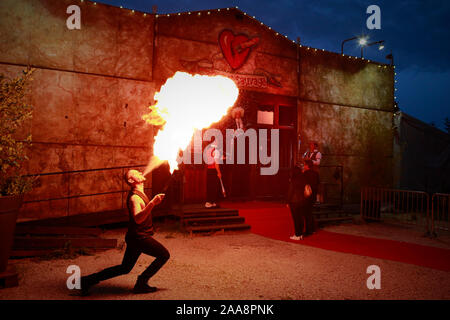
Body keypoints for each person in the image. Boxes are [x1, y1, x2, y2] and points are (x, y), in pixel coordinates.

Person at [79, 170, 170, 295]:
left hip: (135, 237)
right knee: (164, 255)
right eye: (135, 173)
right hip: (139, 238)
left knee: (125, 268)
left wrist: (152, 203)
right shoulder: (134, 198)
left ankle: (87, 280)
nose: (140, 172)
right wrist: (152, 203)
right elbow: (138, 218)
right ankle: (141, 283)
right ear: (132, 181)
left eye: (139, 171)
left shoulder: (140, 193)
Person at [287, 160, 319, 240]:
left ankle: (298, 234)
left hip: (295, 201)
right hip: (305, 199)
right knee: (304, 216)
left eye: (304, 165)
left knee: (297, 218)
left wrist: (288, 201)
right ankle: (307, 231)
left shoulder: (296, 179)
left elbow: (290, 192)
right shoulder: (307, 177)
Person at [205, 139, 223, 208]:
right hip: (213, 170)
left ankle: (211, 202)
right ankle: (210, 202)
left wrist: (221, 158)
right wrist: (219, 172)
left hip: (209, 170)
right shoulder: (216, 150)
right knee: (213, 187)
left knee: (210, 186)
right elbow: (216, 163)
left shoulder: (208, 149)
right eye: (217, 141)